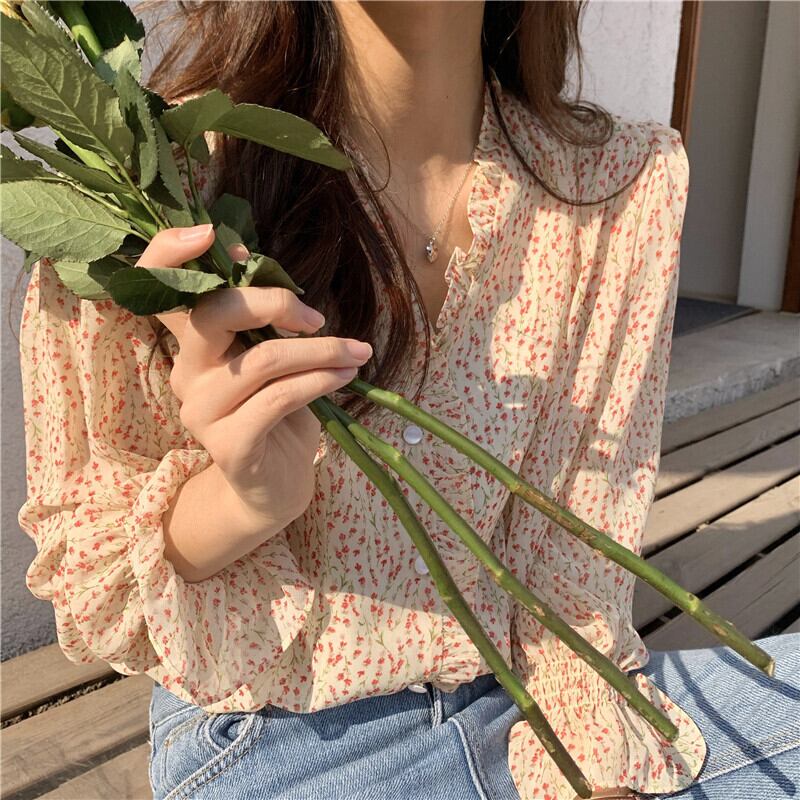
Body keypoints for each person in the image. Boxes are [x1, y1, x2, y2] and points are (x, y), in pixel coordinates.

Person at [16, 2, 799, 799]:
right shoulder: (158, 185)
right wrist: (243, 500)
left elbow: (573, 576)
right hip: (283, 732)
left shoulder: (614, 185)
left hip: (532, 701)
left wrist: (599, 776)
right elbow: (90, 576)